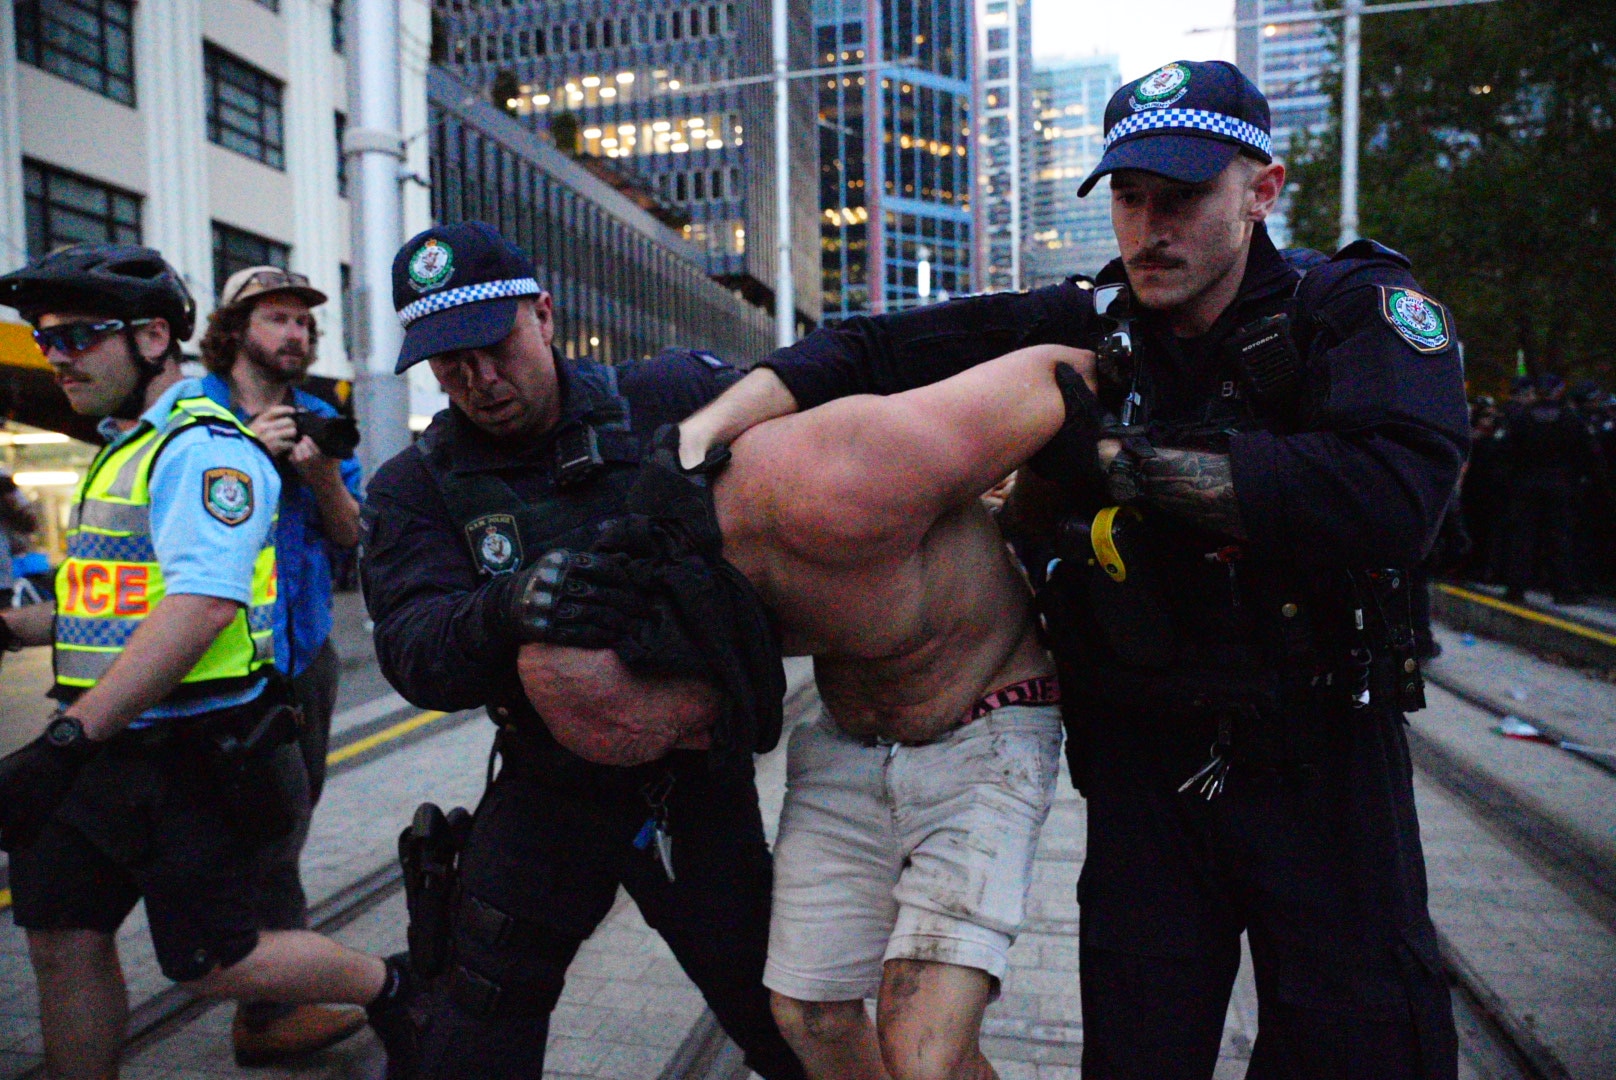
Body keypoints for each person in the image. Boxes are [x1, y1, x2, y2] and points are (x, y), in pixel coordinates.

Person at [665, 60, 1470, 1080]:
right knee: (1137, 1050)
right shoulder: (1095, 318)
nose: (1148, 230)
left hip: (1318, 748)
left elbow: (1390, 496)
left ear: (1259, 192)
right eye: (1129, 200)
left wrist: (1107, 463)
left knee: (1358, 1046)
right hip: (1142, 759)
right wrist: (691, 454)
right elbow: (864, 351)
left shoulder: (1348, 307)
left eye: (1181, 199)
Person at [357, 221, 805, 1080]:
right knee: (474, 1028)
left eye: (494, 346)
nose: (480, 380)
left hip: (696, 786)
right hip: (548, 786)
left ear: (545, 316)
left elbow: (822, 442)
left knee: (786, 1019)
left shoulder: (669, 397)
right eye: (450, 365)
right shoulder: (414, 486)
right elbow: (414, 653)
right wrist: (507, 607)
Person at [0, 244, 415, 1080]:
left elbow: (218, 597)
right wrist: (16, 630)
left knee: (219, 946)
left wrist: (64, 743)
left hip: (204, 730)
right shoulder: (133, 443)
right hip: (108, 736)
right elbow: (116, 598)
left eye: (80, 336)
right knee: (61, 936)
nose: (59, 357)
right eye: (49, 342)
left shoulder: (206, 444)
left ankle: (393, 987)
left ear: (154, 337)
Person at [198, 265, 367, 1063]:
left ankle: (262, 997)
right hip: (225, 664)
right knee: (265, 837)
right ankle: (270, 1012)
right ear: (235, 330)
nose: (295, 334)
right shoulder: (197, 417)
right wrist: (249, 457)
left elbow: (350, 536)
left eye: (304, 321)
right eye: (277, 319)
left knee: (286, 830)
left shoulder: (322, 417)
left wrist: (320, 473)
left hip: (306, 659)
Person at [1494, 372, 1604, 604]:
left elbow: (1506, 453)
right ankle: (1563, 589)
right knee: (1560, 538)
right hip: (1561, 485)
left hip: (1527, 485)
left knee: (1523, 537)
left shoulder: (1522, 419)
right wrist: (1583, 478)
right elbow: (1589, 455)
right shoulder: (1571, 419)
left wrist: (1512, 480)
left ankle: (1516, 587)